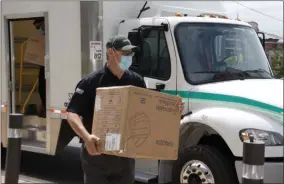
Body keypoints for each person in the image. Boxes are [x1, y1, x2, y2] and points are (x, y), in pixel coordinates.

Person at [66, 35, 184, 184]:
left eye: (131, 54)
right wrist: (86, 137)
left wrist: (173, 110)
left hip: (125, 158)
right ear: (111, 52)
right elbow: (72, 113)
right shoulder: (92, 81)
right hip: (97, 154)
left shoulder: (136, 81)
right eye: (125, 53)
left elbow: (150, 112)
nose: (129, 57)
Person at [33, 17, 46, 117]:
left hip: (50, 66)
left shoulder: (51, 36)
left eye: (39, 26)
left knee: (43, 88)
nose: (39, 29)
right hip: (44, 66)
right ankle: (44, 107)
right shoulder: (43, 37)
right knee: (41, 88)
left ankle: (45, 109)